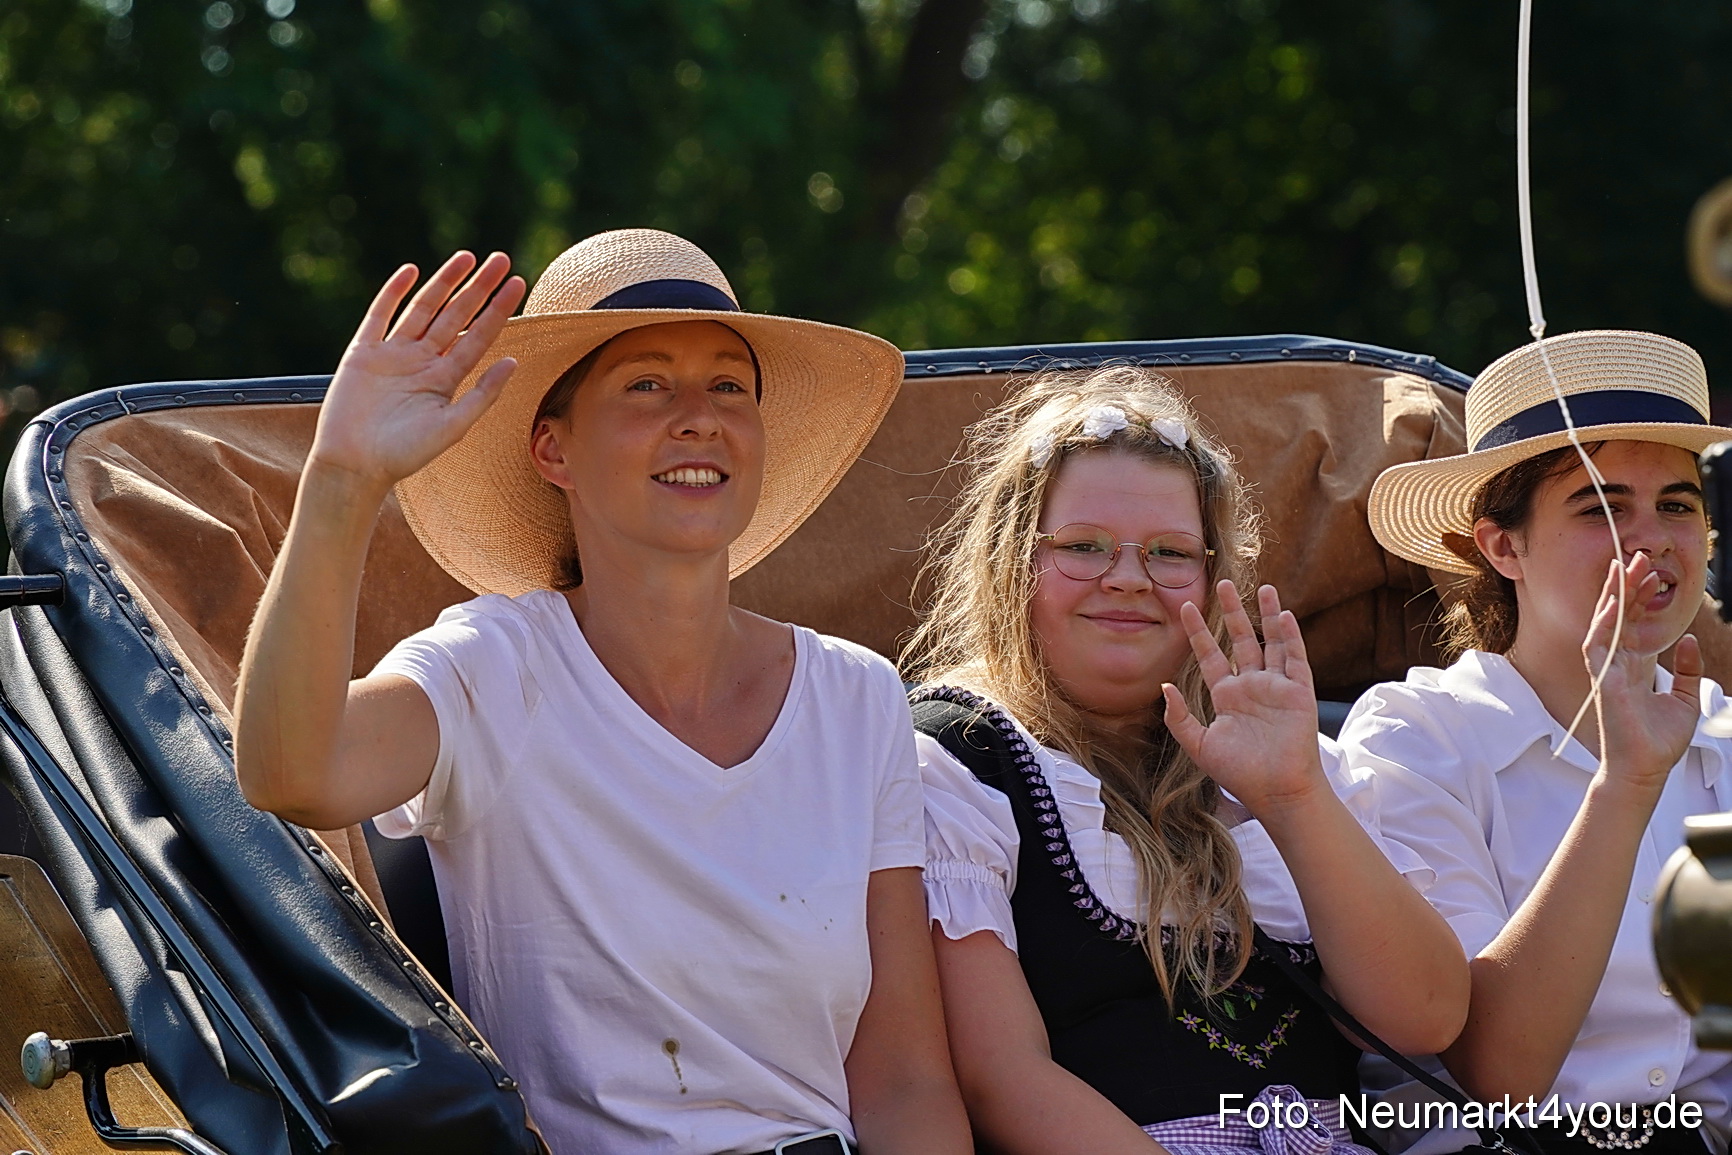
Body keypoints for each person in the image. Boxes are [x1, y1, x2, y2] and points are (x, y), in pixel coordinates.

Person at [233, 229, 970, 1155]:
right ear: (554, 450)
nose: (698, 417)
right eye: (648, 384)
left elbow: (904, 1081)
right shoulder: (493, 666)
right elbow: (291, 771)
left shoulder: (856, 697)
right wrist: (343, 478)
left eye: (729, 387)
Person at [901, 364, 1469, 1155]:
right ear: (1010, 562)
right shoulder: (955, 760)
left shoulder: (1278, 751)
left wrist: (1295, 795)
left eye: (1170, 553)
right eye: (1084, 546)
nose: (1128, 578)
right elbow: (1001, 1076)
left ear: (1213, 575)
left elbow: (1427, 1015)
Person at [1343, 330, 1732, 1155]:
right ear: (1501, 545)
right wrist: (1625, 786)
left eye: (1677, 504)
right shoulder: (1419, 739)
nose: (1652, 539)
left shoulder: (1724, 736)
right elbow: (1495, 1070)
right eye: (1602, 507)